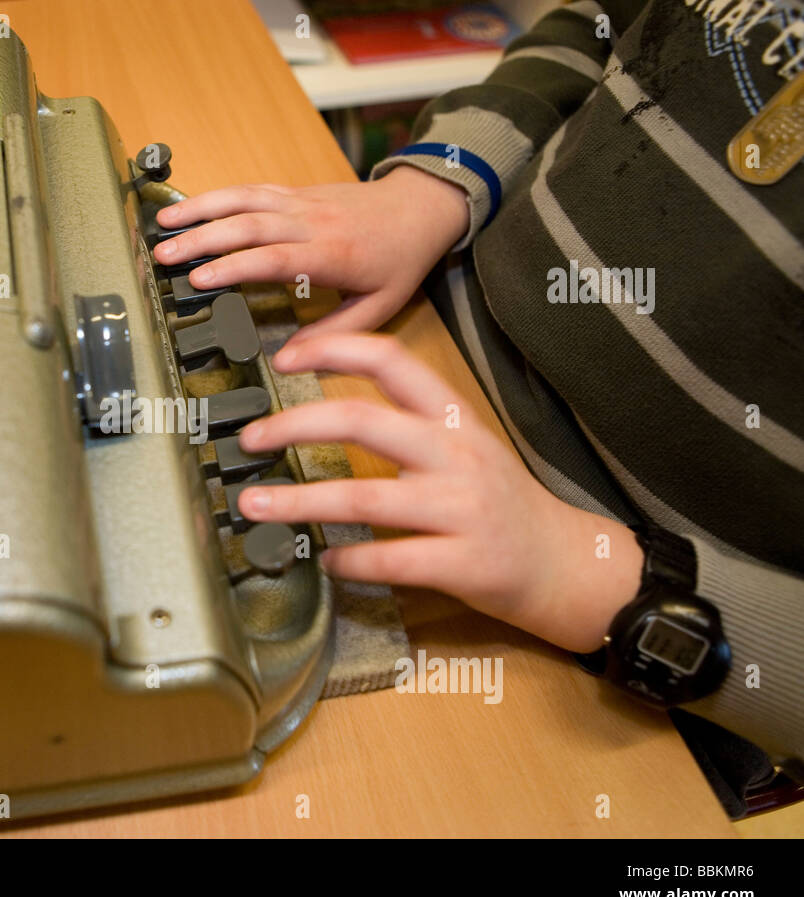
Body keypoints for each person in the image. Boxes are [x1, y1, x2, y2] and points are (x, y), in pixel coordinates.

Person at [153, 0, 803, 812]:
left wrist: (582, 575)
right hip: (427, 323)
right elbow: (604, 23)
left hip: (611, 622)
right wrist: (435, 185)